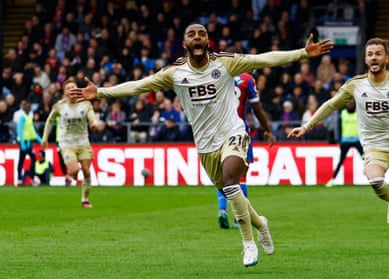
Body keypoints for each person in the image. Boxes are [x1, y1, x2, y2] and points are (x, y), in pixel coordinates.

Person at [69, 22, 334, 266]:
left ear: (208, 41)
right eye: (192, 34)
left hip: (234, 132)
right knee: (232, 192)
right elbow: (139, 86)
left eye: (202, 34)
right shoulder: (175, 73)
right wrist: (101, 92)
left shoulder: (226, 63)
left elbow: (264, 59)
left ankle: (248, 243)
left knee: (232, 181)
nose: (197, 37)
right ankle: (260, 223)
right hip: (206, 146)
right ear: (185, 44)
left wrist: (302, 53)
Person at [288, 38, 389, 252]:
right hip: (374, 146)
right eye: (370, 53)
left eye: (378, 53)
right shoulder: (356, 84)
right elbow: (330, 105)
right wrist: (306, 126)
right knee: (374, 179)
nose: (374, 57)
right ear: (365, 59)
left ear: (386, 58)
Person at [217, 72, 275, 230]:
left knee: (221, 175)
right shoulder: (247, 79)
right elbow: (257, 107)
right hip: (239, 130)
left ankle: (222, 209)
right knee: (241, 176)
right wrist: (267, 130)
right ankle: (238, 218)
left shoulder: (217, 75)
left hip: (219, 130)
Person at [42, 78, 97, 208]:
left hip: (83, 142)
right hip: (67, 144)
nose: (72, 89)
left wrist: (94, 122)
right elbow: (50, 121)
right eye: (68, 88)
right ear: (65, 92)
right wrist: (45, 138)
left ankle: (85, 200)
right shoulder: (59, 106)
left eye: (74, 87)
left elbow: (91, 114)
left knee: (87, 171)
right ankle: (72, 174)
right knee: (74, 170)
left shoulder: (85, 104)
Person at [325, 100, 364, 187]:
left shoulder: (359, 113)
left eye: (352, 103)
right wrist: (339, 140)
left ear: (355, 104)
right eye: (349, 103)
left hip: (357, 140)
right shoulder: (342, 113)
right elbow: (338, 127)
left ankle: (374, 178)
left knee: (365, 160)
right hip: (345, 140)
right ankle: (333, 179)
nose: (350, 104)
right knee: (341, 161)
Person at [16, 100, 43, 186]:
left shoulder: (29, 117)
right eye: (27, 107)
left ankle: (31, 177)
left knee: (33, 160)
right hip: (24, 142)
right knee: (21, 161)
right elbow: (20, 130)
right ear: (24, 108)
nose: (29, 109)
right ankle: (19, 179)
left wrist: (40, 140)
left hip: (29, 142)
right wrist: (22, 143)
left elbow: (32, 131)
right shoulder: (22, 117)